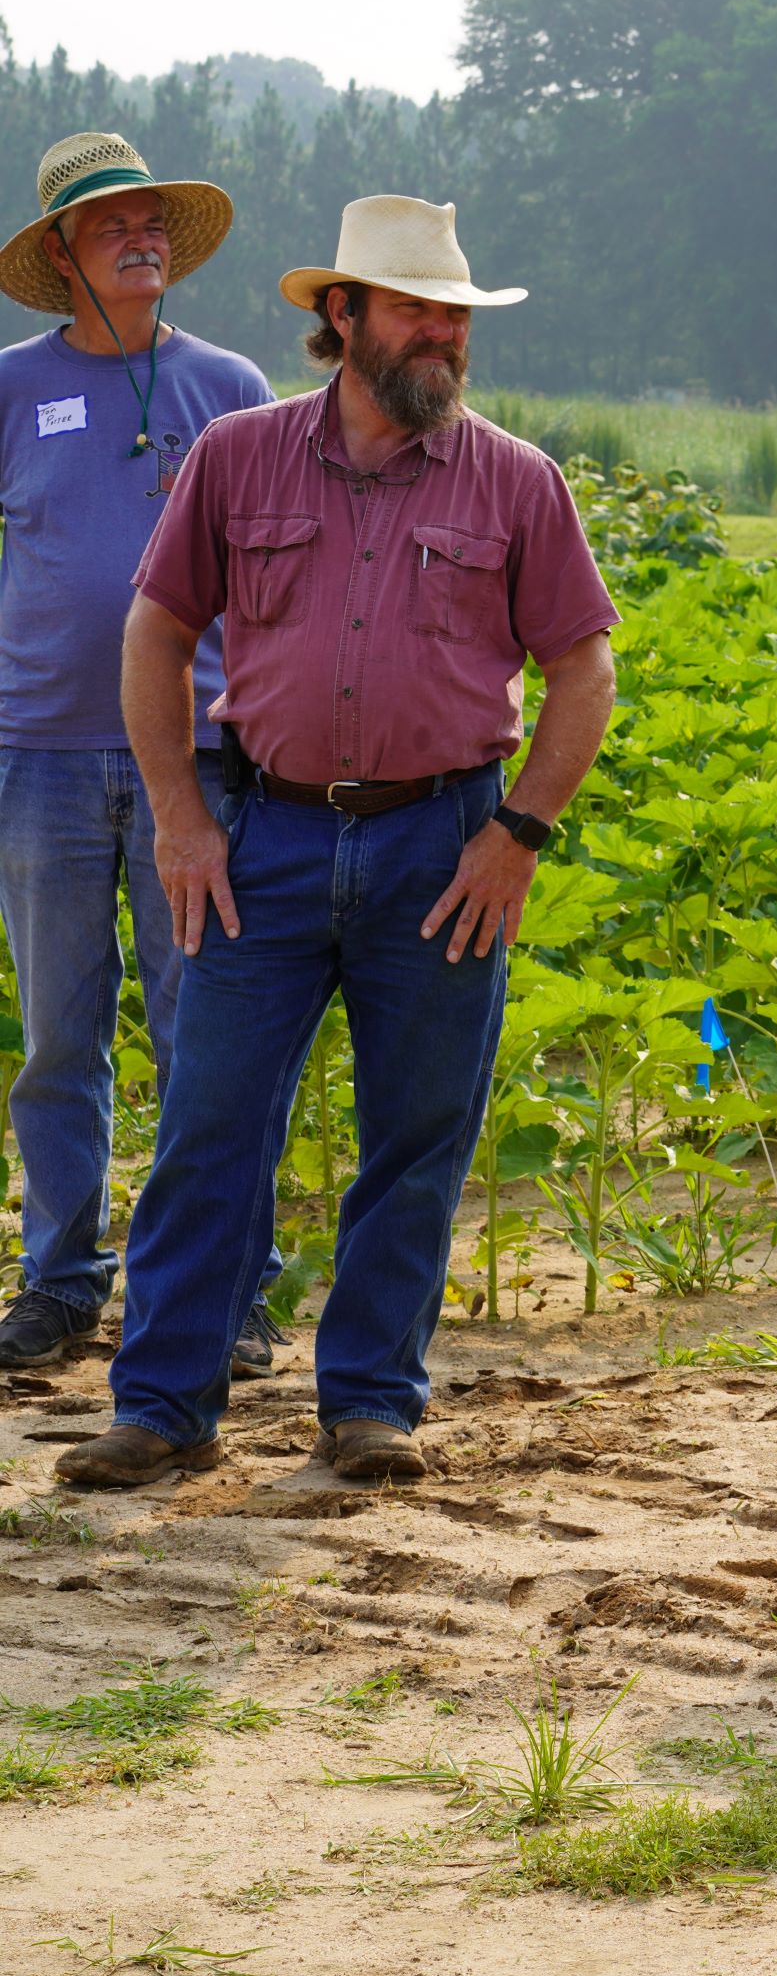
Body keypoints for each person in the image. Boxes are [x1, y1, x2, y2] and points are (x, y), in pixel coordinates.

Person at [61, 198, 618, 1489]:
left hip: (445, 846)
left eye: (455, 315)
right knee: (210, 1118)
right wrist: (181, 816)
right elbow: (154, 636)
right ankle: (163, 1404)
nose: (443, 335)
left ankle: (371, 1399)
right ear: (341, 317)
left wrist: (519, 835)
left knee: (418, 1129)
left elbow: (583, 674)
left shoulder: (516, 481)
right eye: (416, 309)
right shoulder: (239, 458)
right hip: (263, 836)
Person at [0, 134, 282, 1381]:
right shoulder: (13, 388)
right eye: (109, 222)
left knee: (208, 1038)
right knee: (62, 1037)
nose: (139, 235)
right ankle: (60, 1281)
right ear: (61, 253)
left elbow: (289, 569)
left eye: (151, 217)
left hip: (199, 763)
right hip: (39, 757)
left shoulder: (231, 385)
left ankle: (233, 1289)